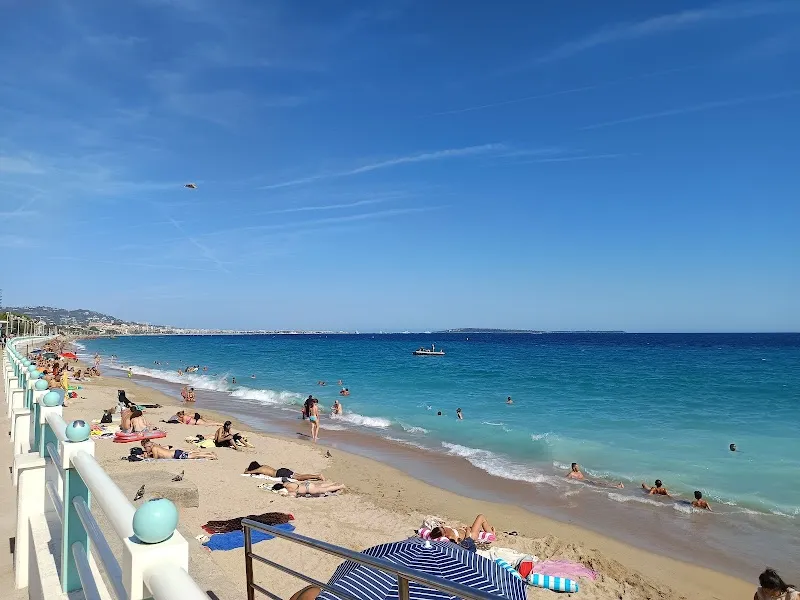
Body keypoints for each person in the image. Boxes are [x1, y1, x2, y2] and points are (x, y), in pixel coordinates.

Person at [429, 514, 495, 544]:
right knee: (481, 517)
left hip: (466, 531)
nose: (444, 528)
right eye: (444, 530)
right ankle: (492, 534)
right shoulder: (451, 538)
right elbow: (465, 541)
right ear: (443, 535)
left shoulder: (446, 530)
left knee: (480, 520)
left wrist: (462, 529)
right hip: (471, 535)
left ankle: (489, 533)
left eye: (442, 528)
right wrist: (468, 530)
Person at [244, 461, 324, 481]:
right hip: (281, 470)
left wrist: (247, 470)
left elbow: (247, 473)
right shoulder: (264, 466)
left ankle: (317, 476)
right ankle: (316, 476)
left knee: (299, 478)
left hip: (280, 473)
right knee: (300, 475)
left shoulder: (259, 469)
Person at [141, 440, 218, 460]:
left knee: (193, 456)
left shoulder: (154, 448)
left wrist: (147, 457)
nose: (145, 449)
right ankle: (209, 453)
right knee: (193, 455)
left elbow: (155, 458)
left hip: (175, 455)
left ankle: (211, 455)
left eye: (145, 447)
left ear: (148, 446)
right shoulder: (155, 446)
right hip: (175, 452)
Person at [272, 480, 345, 496]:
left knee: (326, 490)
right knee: (320, 486)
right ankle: (332, 484)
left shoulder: (288, 489)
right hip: (307, 484)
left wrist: (286, 495)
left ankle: (341, 486)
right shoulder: (286, 483)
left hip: (309, 489)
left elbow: (294, 494)